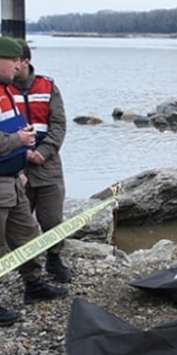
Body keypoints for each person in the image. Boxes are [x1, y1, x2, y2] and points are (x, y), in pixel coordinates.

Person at [0, 37, 67, 327]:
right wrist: (19, 142)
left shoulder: (13, 89)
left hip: (16, 177)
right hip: (4, 180)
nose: (18, 65)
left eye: (20, 61)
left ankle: (35, 283)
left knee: (28, 235)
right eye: (13, 60)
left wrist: (30, 157)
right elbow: (11, 135)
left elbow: (58, 124)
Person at [9, 40, 71, 283]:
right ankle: (28, 272)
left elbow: (59, 124)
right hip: (16, 165)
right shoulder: (4, 90)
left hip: (48, 165)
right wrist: (21, 153)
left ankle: (54, 258)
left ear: (26, 61)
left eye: (16, 62)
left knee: (52, 218)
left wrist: (44, 151)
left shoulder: (48, 86)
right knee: (21, 224)